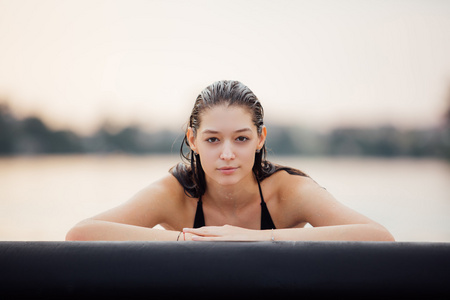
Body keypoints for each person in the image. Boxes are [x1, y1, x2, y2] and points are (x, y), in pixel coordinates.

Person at [66, 80, 394, 242]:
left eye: (241, 138)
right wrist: (187, 239)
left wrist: (256, 238)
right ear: (193, 140)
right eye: (212, 139)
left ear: (260, 138)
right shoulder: (175, 192)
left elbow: (379, 236)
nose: (227, 154)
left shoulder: (289, 190)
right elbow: (81, 234)